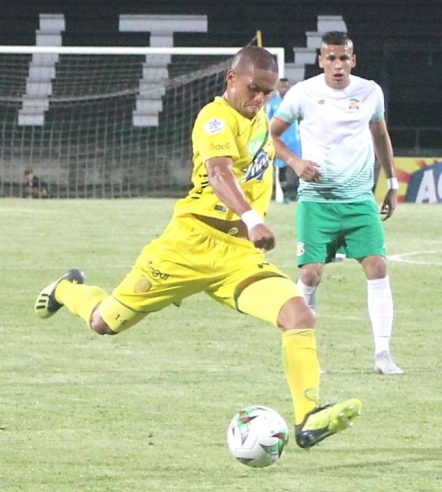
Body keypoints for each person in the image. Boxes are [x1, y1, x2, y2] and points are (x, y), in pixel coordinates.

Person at [33, 46, 361, 450]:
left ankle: (308, 418)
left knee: (298, 314)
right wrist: (253, 218)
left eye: (267, 93)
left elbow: (264, 146)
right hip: (187, 248)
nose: (259, 99)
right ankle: (67, 288)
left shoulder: (257, 117)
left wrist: (288, 166)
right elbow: (219, 171)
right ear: (231, 79)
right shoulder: (215, 118)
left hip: (237, 256)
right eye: (253, 89)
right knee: (106, 323)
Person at [270, 31, 403, 375]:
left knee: (377, 266)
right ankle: (305, 353)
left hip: (359, 199)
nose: (337, 65)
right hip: (317, 201)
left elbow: (380, 136)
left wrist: (392, 181)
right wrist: (296, 163)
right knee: (311, 274)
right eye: (330, 58)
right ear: (321, 61)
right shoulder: (303, 94)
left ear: (353, 60)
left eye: (343, 58)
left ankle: (383, 354)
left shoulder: (370, 92)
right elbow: (271, 135)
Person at [265, 78, 301, 202]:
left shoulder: (295, 102)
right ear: (278, 88)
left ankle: (297, 192)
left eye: (286, 87)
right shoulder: (272, 103)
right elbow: (267, 122)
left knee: (299, 165)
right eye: (282, 87)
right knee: (282, 168)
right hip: (280, 140)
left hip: (295, 140)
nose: (284, 89)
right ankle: (285, 195)